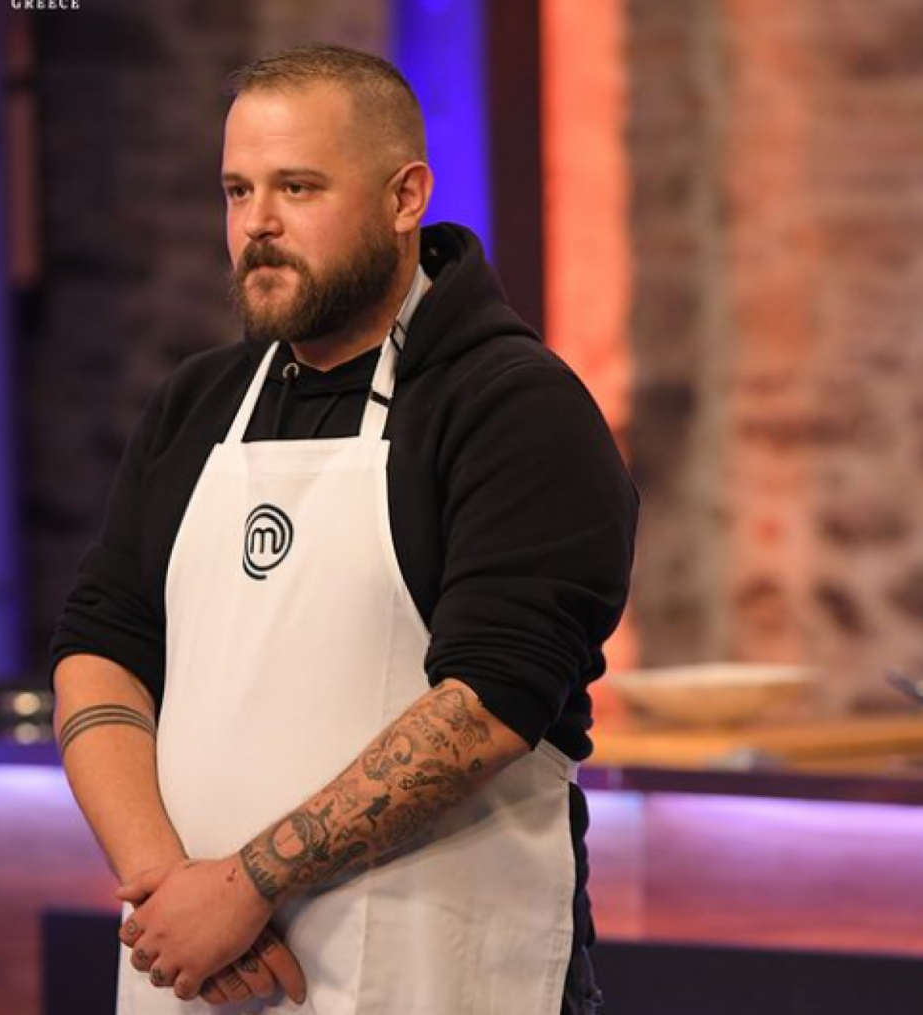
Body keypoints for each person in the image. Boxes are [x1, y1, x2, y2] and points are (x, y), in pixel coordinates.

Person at [51, 43, 637, 1015]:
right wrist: (166, 884)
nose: (258, 224)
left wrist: (245, 886)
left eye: (298, 187)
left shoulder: (513, 407)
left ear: (406, 197)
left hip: (434, 971)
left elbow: (491, 702)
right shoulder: (197, 403)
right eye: (237, 191)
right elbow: (101, 645)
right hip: (190, 967)